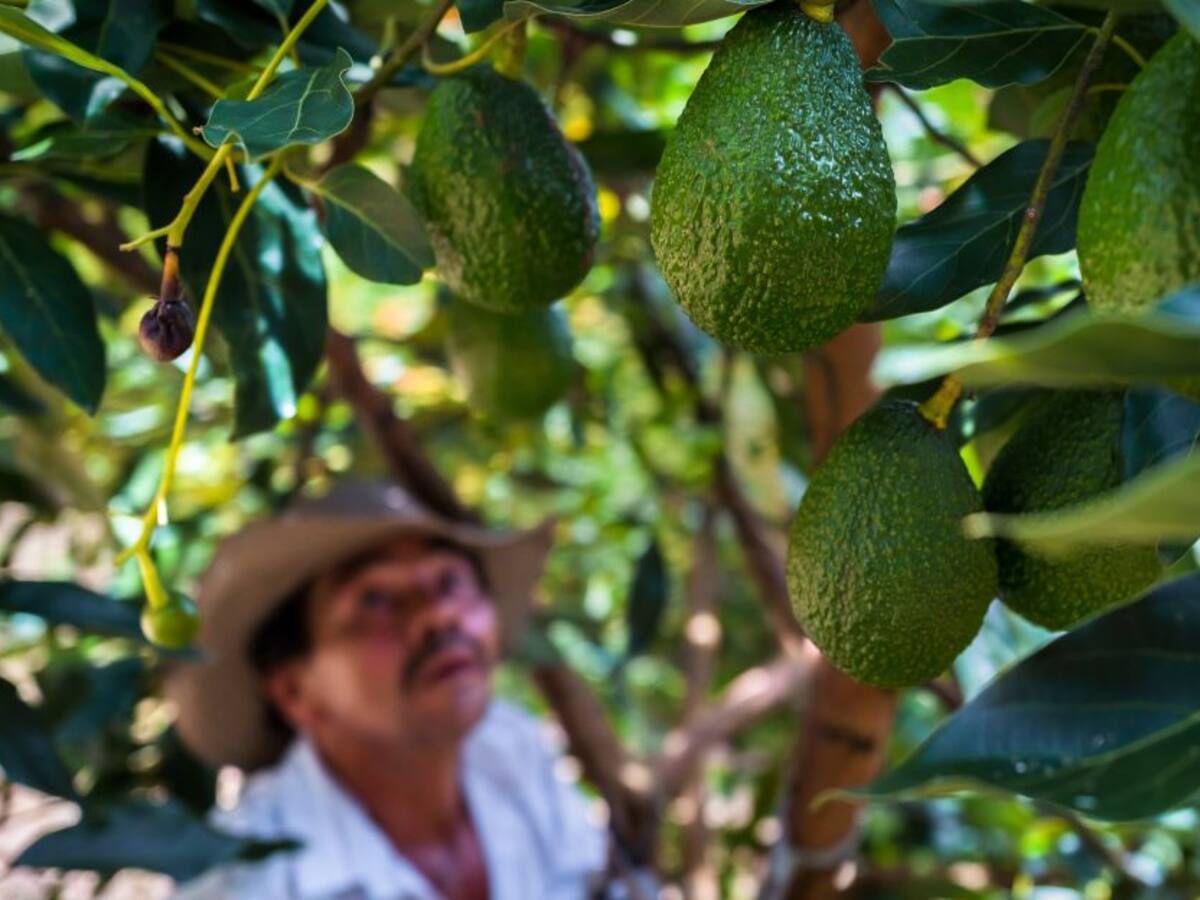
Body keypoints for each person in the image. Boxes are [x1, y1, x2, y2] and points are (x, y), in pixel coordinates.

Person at [170, 480, 612, 899]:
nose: (438, 615)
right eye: (375, 599)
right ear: (294, 692)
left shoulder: (511, 750)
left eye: (450, 581)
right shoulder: (245, 882)